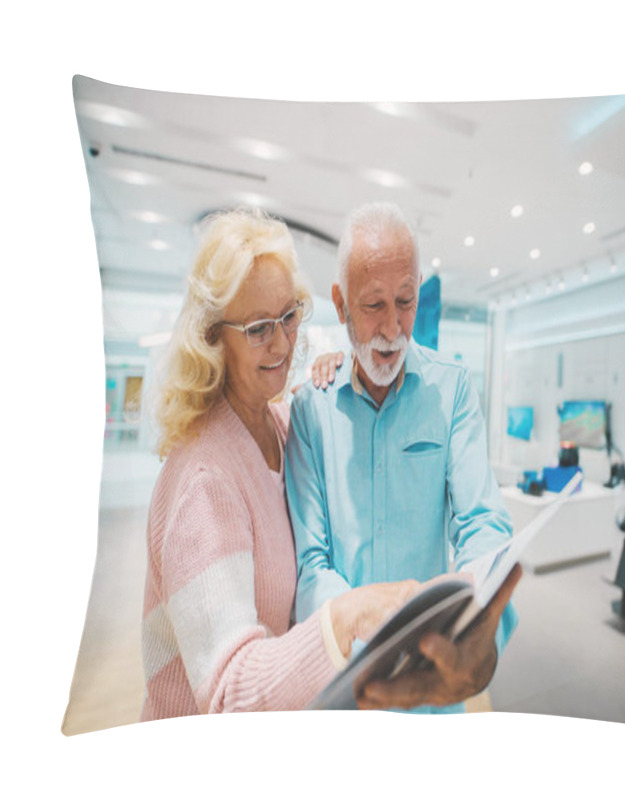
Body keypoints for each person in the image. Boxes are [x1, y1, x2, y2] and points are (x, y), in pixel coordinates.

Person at [139, 208, 418, 720]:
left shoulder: (282, 425)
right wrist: (345, 617)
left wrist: (338, 373)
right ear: (211, 338)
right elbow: (227, 697)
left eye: (289, 316)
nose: (284, 343)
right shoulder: (204, 481)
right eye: (258, 328)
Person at [286, 201, 520, 712]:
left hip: (431, 687)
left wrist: (483, 624)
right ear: (341, 304)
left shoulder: (452, 389)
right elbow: (312, 562)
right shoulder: (310, 409)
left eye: (406, 301)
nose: (393, 328)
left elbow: (481, 523)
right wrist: (362, 637)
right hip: (345, 684)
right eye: (372, 306)